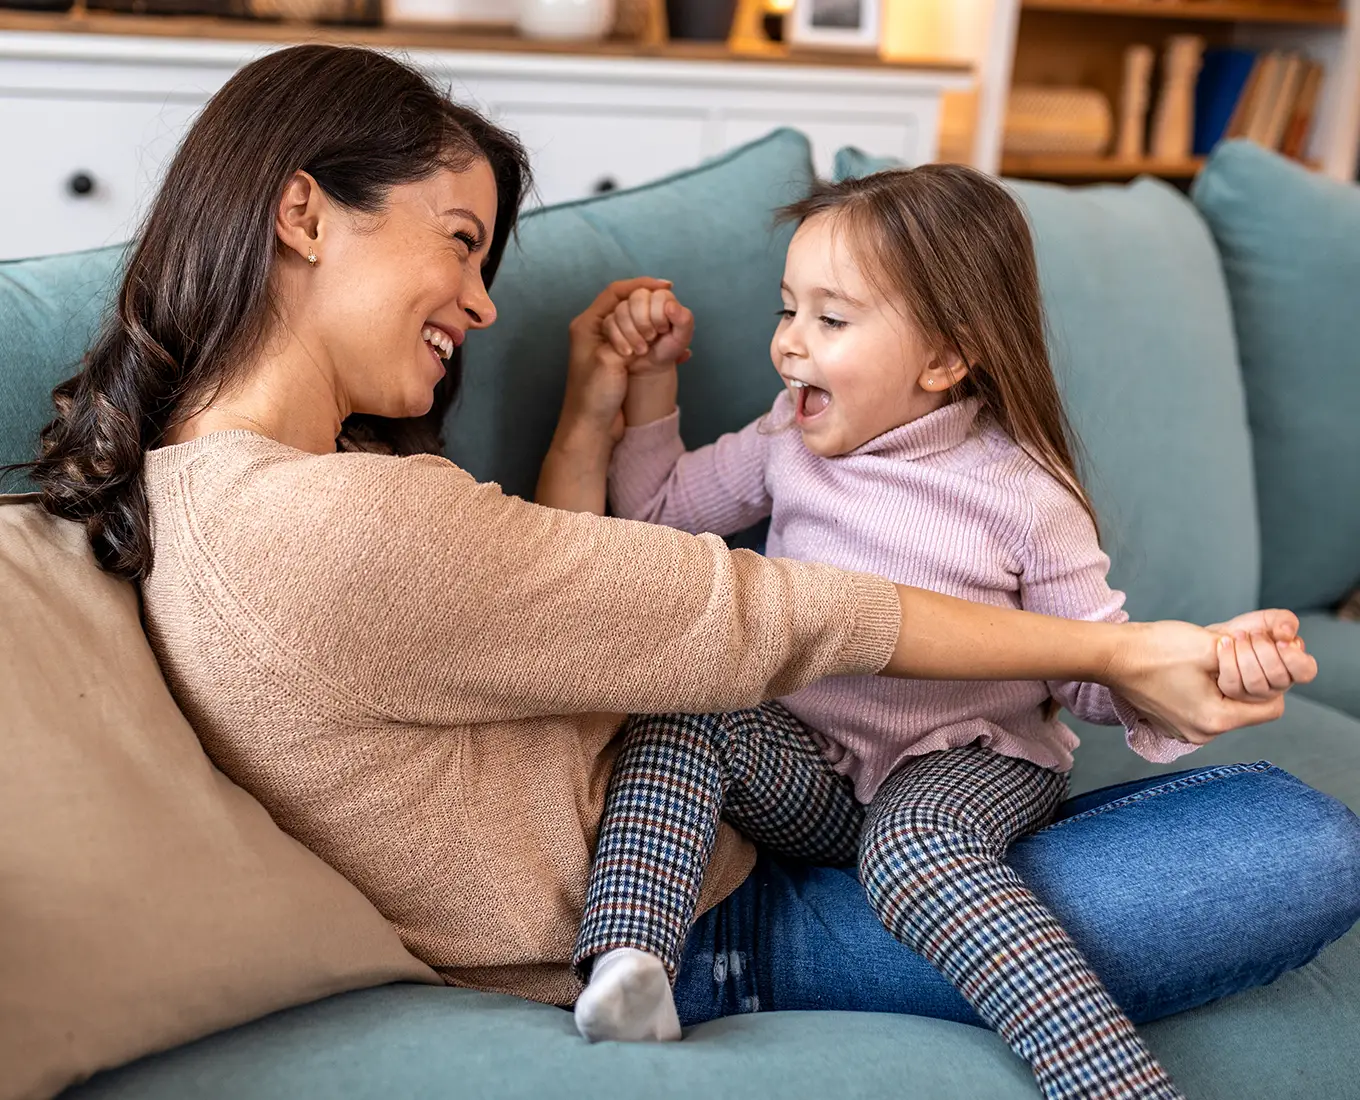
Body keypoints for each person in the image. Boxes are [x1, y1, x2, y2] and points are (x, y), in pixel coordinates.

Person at [10, 44, 1356, 1089]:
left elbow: (550, 594)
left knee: (1021, 825)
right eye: (463, 241)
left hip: (805, 817)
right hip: (723, 921)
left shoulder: (256, 496)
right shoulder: (328, 525)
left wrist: (598, 401)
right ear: (306, 211)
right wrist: (1121, 655)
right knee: (1291, 842)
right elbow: (752, 609)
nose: (482, 305)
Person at [551, 165, 1354, 1099]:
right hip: (813, 770)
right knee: (684, 715)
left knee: (916, 848)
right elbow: (653, 518)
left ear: (943, 361)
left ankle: (1114, 1086)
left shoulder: (1024, 491)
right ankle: (632, 962)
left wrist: (1208, 669)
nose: (789, 346)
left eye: (831, 320)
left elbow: (1092, 675)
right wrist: (650, 386)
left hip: (966, 761)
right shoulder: (785, 440)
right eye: (787, 311)